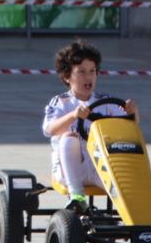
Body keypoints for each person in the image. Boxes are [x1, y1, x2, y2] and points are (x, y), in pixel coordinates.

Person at [42, 39, 136, 207]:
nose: (88, 77)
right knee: (69, 138)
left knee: (128, 191)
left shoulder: (106, 101)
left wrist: (133, 113)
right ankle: (77, 197)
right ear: (67, 76)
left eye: (92, 71)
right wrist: (73, 115)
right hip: (69, 170)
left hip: (99, 167)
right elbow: (49, 129)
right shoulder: (61, 102)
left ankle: (141, 216)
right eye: (81, 72)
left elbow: (130, 127)